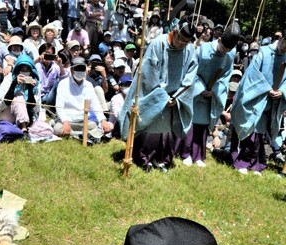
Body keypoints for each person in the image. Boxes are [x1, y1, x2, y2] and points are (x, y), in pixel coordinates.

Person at [119, 22, 198, 172]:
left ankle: (162, 159)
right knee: (150, 126)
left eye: (186, 41)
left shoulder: (190, 49)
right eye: (180, 38)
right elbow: (149, 73)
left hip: (175, 97)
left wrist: (177, 96)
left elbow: (191, 75)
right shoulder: (158, 44)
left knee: (166, 130)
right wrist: (162, 97)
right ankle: (143, 158)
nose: (182, 44)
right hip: (154, 94)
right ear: (175, 32)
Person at [180, 22, 240, 167]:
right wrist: (201, 89)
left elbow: (226, 75)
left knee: (203, 124)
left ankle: (199, 155)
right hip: (195, 91)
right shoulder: (203, 49)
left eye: (228, 49)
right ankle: (186, 153)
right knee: (191, 121)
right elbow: (191, 70)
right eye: (223, 47)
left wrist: (213, 91)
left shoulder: (230, 54)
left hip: (212, 93)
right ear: (218, 40)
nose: (225, 51)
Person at [230, 31, 286, 175]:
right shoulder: (264, 52)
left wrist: (282, 91)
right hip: (255, 98)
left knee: (259, 133)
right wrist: (266, 89)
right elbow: (252, 74)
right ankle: (242, 161)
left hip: (271, 102)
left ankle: (256, 164)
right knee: (250, 129)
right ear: (281, 39)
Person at [53, 56, 111, 140]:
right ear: (72, 70)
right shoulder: (63, 84)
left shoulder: (88, 85)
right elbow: (59, 106)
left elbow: (95, 104)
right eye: (77, 69)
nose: (80, 71)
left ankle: (77, 135)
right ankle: (83, 136)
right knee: (58, 129)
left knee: (94, 126)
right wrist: (65, 122)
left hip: (83, 121)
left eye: (82, 69)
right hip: (67, 120)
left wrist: (103, 120)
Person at [0, 54, 39, 133]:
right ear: (17, 69)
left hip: (29, 116)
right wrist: (14, 84)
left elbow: (33, 107)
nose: (25, 72)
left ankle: (24, 126)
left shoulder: (35, 83)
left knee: (46, 129)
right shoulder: (9, 79)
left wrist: (30, 88)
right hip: (8, 114)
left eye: (27, 69)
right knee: (19, 96)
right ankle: (22, 127)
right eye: (22, 69)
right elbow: (3, 103)